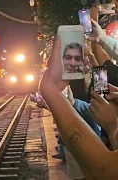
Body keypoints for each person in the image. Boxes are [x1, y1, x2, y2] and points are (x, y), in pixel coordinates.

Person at [40, 34, 118, 179]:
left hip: (92, 130)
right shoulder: (99, 75)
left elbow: (105, 170)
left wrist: (50, 88)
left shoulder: (104, 75)